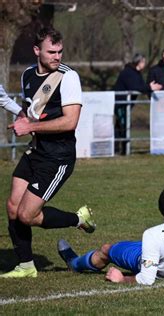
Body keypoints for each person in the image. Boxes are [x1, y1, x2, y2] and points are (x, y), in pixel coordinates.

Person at [0, 27, 96, 278]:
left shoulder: (68, 77)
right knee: (12, 207)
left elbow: (70, 121)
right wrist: (22, 118)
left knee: (26, 214)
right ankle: (26, 265)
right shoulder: (28, 75)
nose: (57, 56)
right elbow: (29, 110)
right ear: (36, 51)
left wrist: (30, 126)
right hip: (36, 151)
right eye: (51, 51)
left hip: (58, 157)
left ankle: (78, 219)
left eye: (60, 51)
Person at [113, 53, 158, 155]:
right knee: (123, 126)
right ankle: (122, 150)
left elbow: (141, 86)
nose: (145, 64)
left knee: (120, 126)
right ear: (139, 62)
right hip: (120, 104)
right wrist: (150, 88)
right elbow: (135, 87)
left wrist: (149, 88)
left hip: (125, 105)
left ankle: (120, 150)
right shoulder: (128, 72)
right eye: (144, 62)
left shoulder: (137, 73)